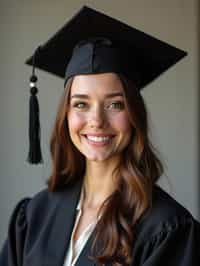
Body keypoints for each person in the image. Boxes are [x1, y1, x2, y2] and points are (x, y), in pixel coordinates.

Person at [0, 5, 199, 266]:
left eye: (115, 104)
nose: (96, 121)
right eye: (81, 104)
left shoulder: (166, 229)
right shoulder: (35, 215)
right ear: (66, 115)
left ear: (134, 115)